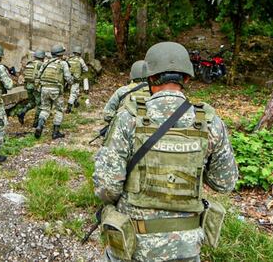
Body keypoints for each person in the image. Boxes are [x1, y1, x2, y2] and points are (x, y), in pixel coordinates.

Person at [93, 42, 239, 262]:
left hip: (133, 242)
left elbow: (106, 187)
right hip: (185, 246)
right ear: (187, 79)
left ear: (150, 78)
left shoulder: (128, 118)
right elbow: (224, 183)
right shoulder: (210, 122)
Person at [34, 44, 73, 139]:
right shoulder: (63, 63)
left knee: (45, 109)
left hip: (44, 89)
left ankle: (39, 126)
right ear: (61, 54)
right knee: (59, 110)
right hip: (56, 90)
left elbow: (38, 75)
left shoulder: (45, 63)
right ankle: (55, 133)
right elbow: (68, 78)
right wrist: (72, 81)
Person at [17, 49, 45, 126]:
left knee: (32, 103)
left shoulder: (29, 64)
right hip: (36, 87)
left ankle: (21, 112)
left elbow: (24, 75)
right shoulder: (41, 64)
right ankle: (36, 123)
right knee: (40, 105)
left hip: (28, 86)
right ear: (42, 57)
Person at [66, 45, 89, 114]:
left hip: (69, 79)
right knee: (73, 93)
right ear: (79, 53)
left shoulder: (69, 59)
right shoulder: (80, 60)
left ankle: (76, 103)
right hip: (76, 79)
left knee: (76, 90)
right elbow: (86, 69)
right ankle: (68, 108)